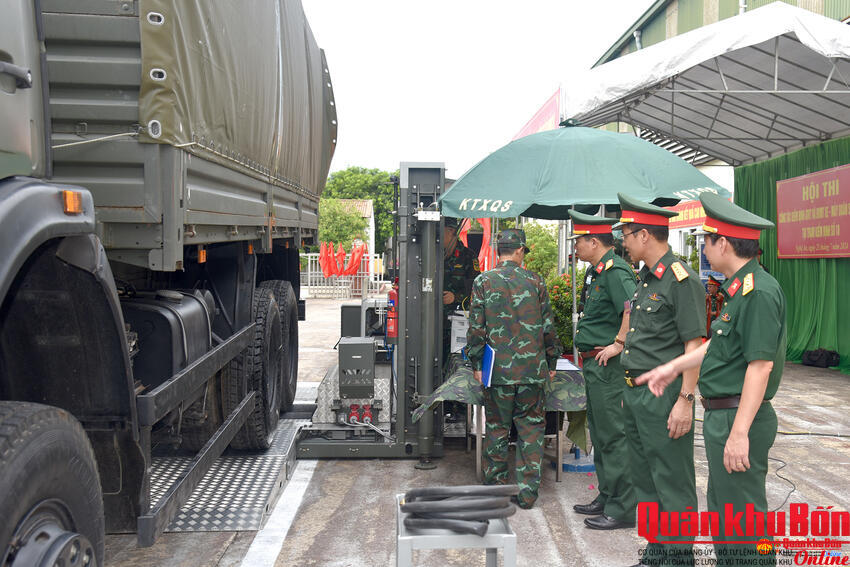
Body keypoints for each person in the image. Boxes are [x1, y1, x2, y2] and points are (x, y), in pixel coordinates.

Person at [636, 192, 786, 566]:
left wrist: (739, 433)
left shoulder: (759, 292)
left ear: (723, 243)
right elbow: (717, 344)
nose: (703, 247)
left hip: (740, 417)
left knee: (745, 525)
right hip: (723, 415)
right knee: (726, 518)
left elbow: (760, 367)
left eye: (707, 239)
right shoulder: (738, 290)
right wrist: (673, 367)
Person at [615, 192, 706, 567]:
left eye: (627, 234)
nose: (623, 241)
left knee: (671, 479)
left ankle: (679, 559)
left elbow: (694, 343)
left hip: (666, 396)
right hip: (637, 393)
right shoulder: (645, 279)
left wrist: (686, 400)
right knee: (644, 479)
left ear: (644, 237)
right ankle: (656, 552)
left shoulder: (680, 280)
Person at [466, 228, 560, 509]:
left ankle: (495, 493)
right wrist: (552, 361)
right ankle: (527, 494)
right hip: (532, 371)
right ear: (520, 251)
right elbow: (548, 327)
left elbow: (476, 329)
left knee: (497, 429)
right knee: (531, 431)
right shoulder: (536, 281)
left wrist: (475, 363)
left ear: (499, 251)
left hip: (498, 372)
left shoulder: (484, 281)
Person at [567, 210, 637, 530]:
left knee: (614, 436)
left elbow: (632, 308)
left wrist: (620, 343)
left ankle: (623, 507)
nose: (575, 248)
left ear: (594, 241)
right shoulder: (596, 271)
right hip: (594, 365)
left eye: (578, 242)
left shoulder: (616, 271)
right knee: (600, 432)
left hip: (609, 367)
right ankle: (607, 495)